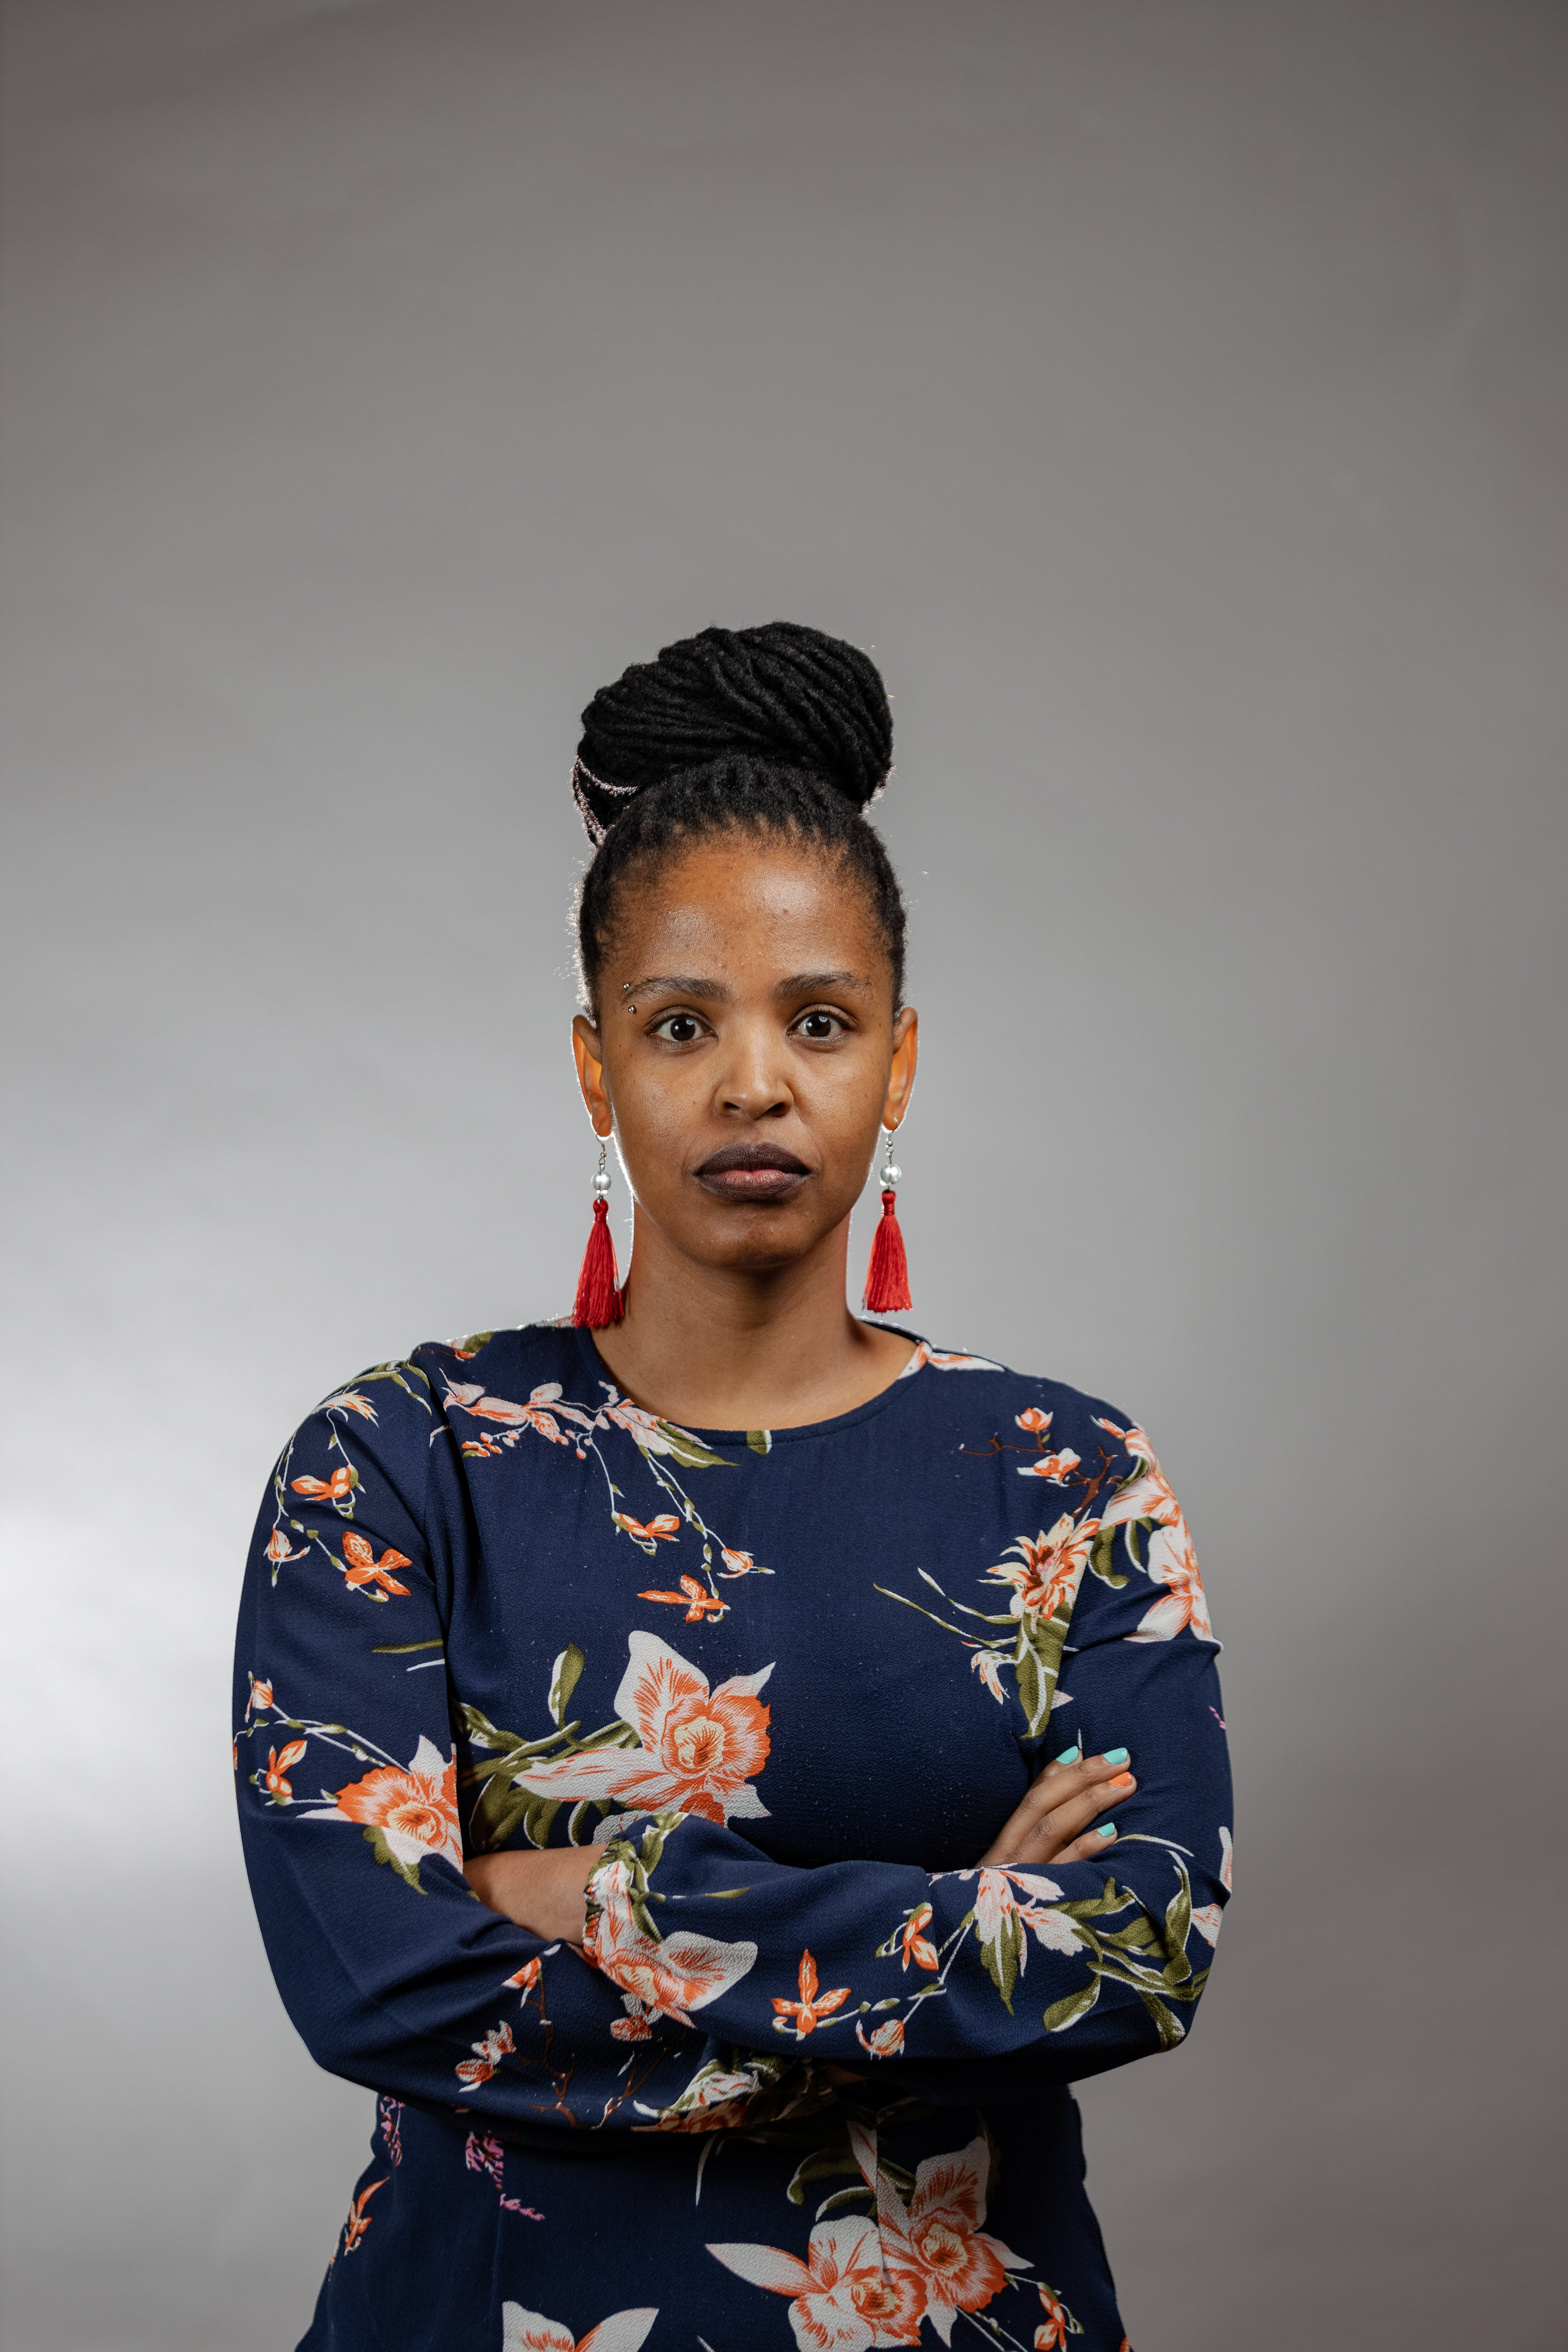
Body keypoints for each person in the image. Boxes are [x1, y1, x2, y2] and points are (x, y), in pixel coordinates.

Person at [234, 621, 1232, 2352]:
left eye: (821, 1020)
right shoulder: (398, 1460)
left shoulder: (1064, 1476)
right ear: (595, 1067)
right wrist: (948, 1940)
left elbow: (1132, 1953)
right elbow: (380, 1982)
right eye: (680, 1020)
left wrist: (600, 1892)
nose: (753, 1081)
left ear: (897, 1063)